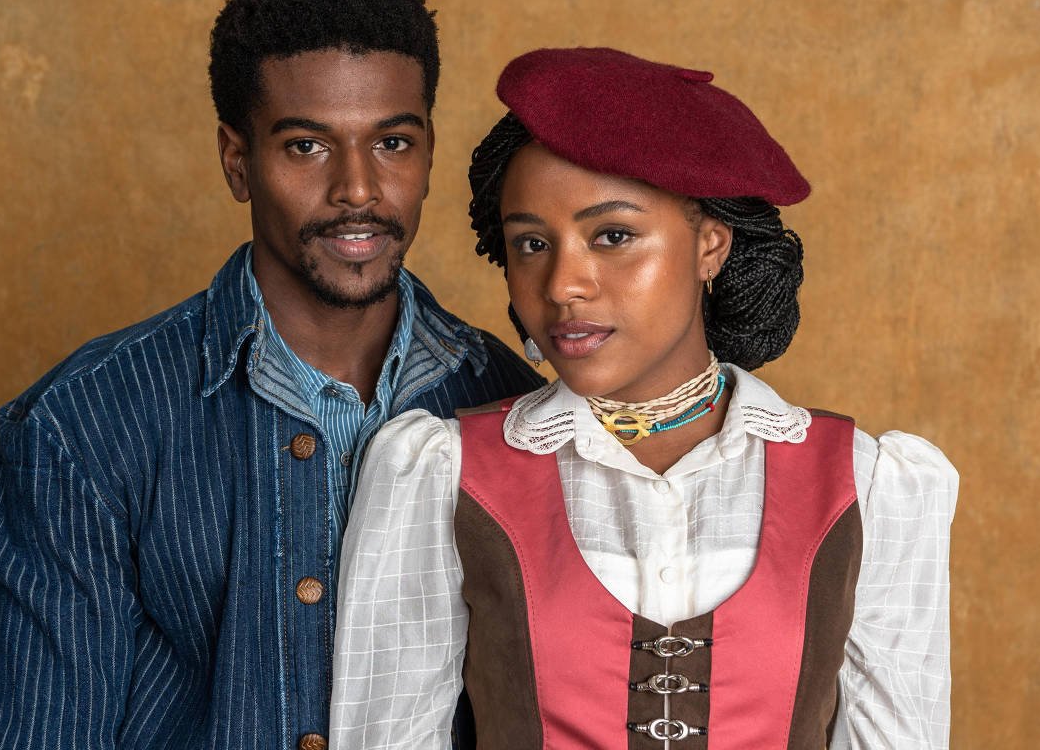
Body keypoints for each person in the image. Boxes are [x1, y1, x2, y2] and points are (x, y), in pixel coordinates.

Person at [0, 0, 542, 749]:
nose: (358, 189)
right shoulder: (81, 427)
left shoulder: (516, 410)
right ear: (237, 161)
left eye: (392, 143)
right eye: (307, 146)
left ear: (428, 153)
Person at [330, 47, 958, 748]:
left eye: (613, 236)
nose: (563, 284)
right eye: (531, 244)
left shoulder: (866, 484)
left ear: (710, 245)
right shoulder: (442, 474)